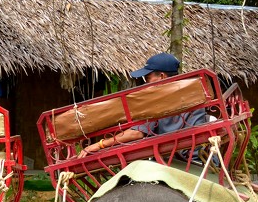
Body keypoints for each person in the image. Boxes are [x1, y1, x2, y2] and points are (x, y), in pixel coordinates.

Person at [78, 52, 210, 158]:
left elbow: (137, 133)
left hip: (182, 158)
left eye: (147, 78)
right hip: (200, 154)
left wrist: (99, 144)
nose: (146, 83)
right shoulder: (191, 91)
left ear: (162, 76)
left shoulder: (158, 99)